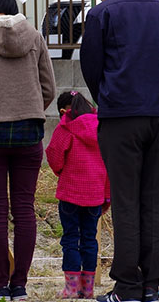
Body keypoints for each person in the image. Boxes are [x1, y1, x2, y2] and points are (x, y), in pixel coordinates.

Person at [80, 0, 159, 302]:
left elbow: (91, 66)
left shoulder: (102, 13)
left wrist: (106, 99)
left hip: (122, 113)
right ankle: (153, 285)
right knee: (156, 199)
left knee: (125, 199)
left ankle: (126, 287)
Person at [0, 0, 56, 301]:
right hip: (28, 131)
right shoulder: (34, 35)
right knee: (24, 207)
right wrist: (31, 109)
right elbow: (47, 87)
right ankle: (19, 285)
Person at [46, 91, 109, 299]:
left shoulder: (65, 127)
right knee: (90, 239)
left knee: (71, 239)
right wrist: (107, 194)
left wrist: (61, 172)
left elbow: (54, 157)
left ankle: (71, 288)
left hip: (70, 192)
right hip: (95, 193)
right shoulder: (102, 127)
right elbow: (110, 161)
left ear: (65, 110)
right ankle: (87, 288)